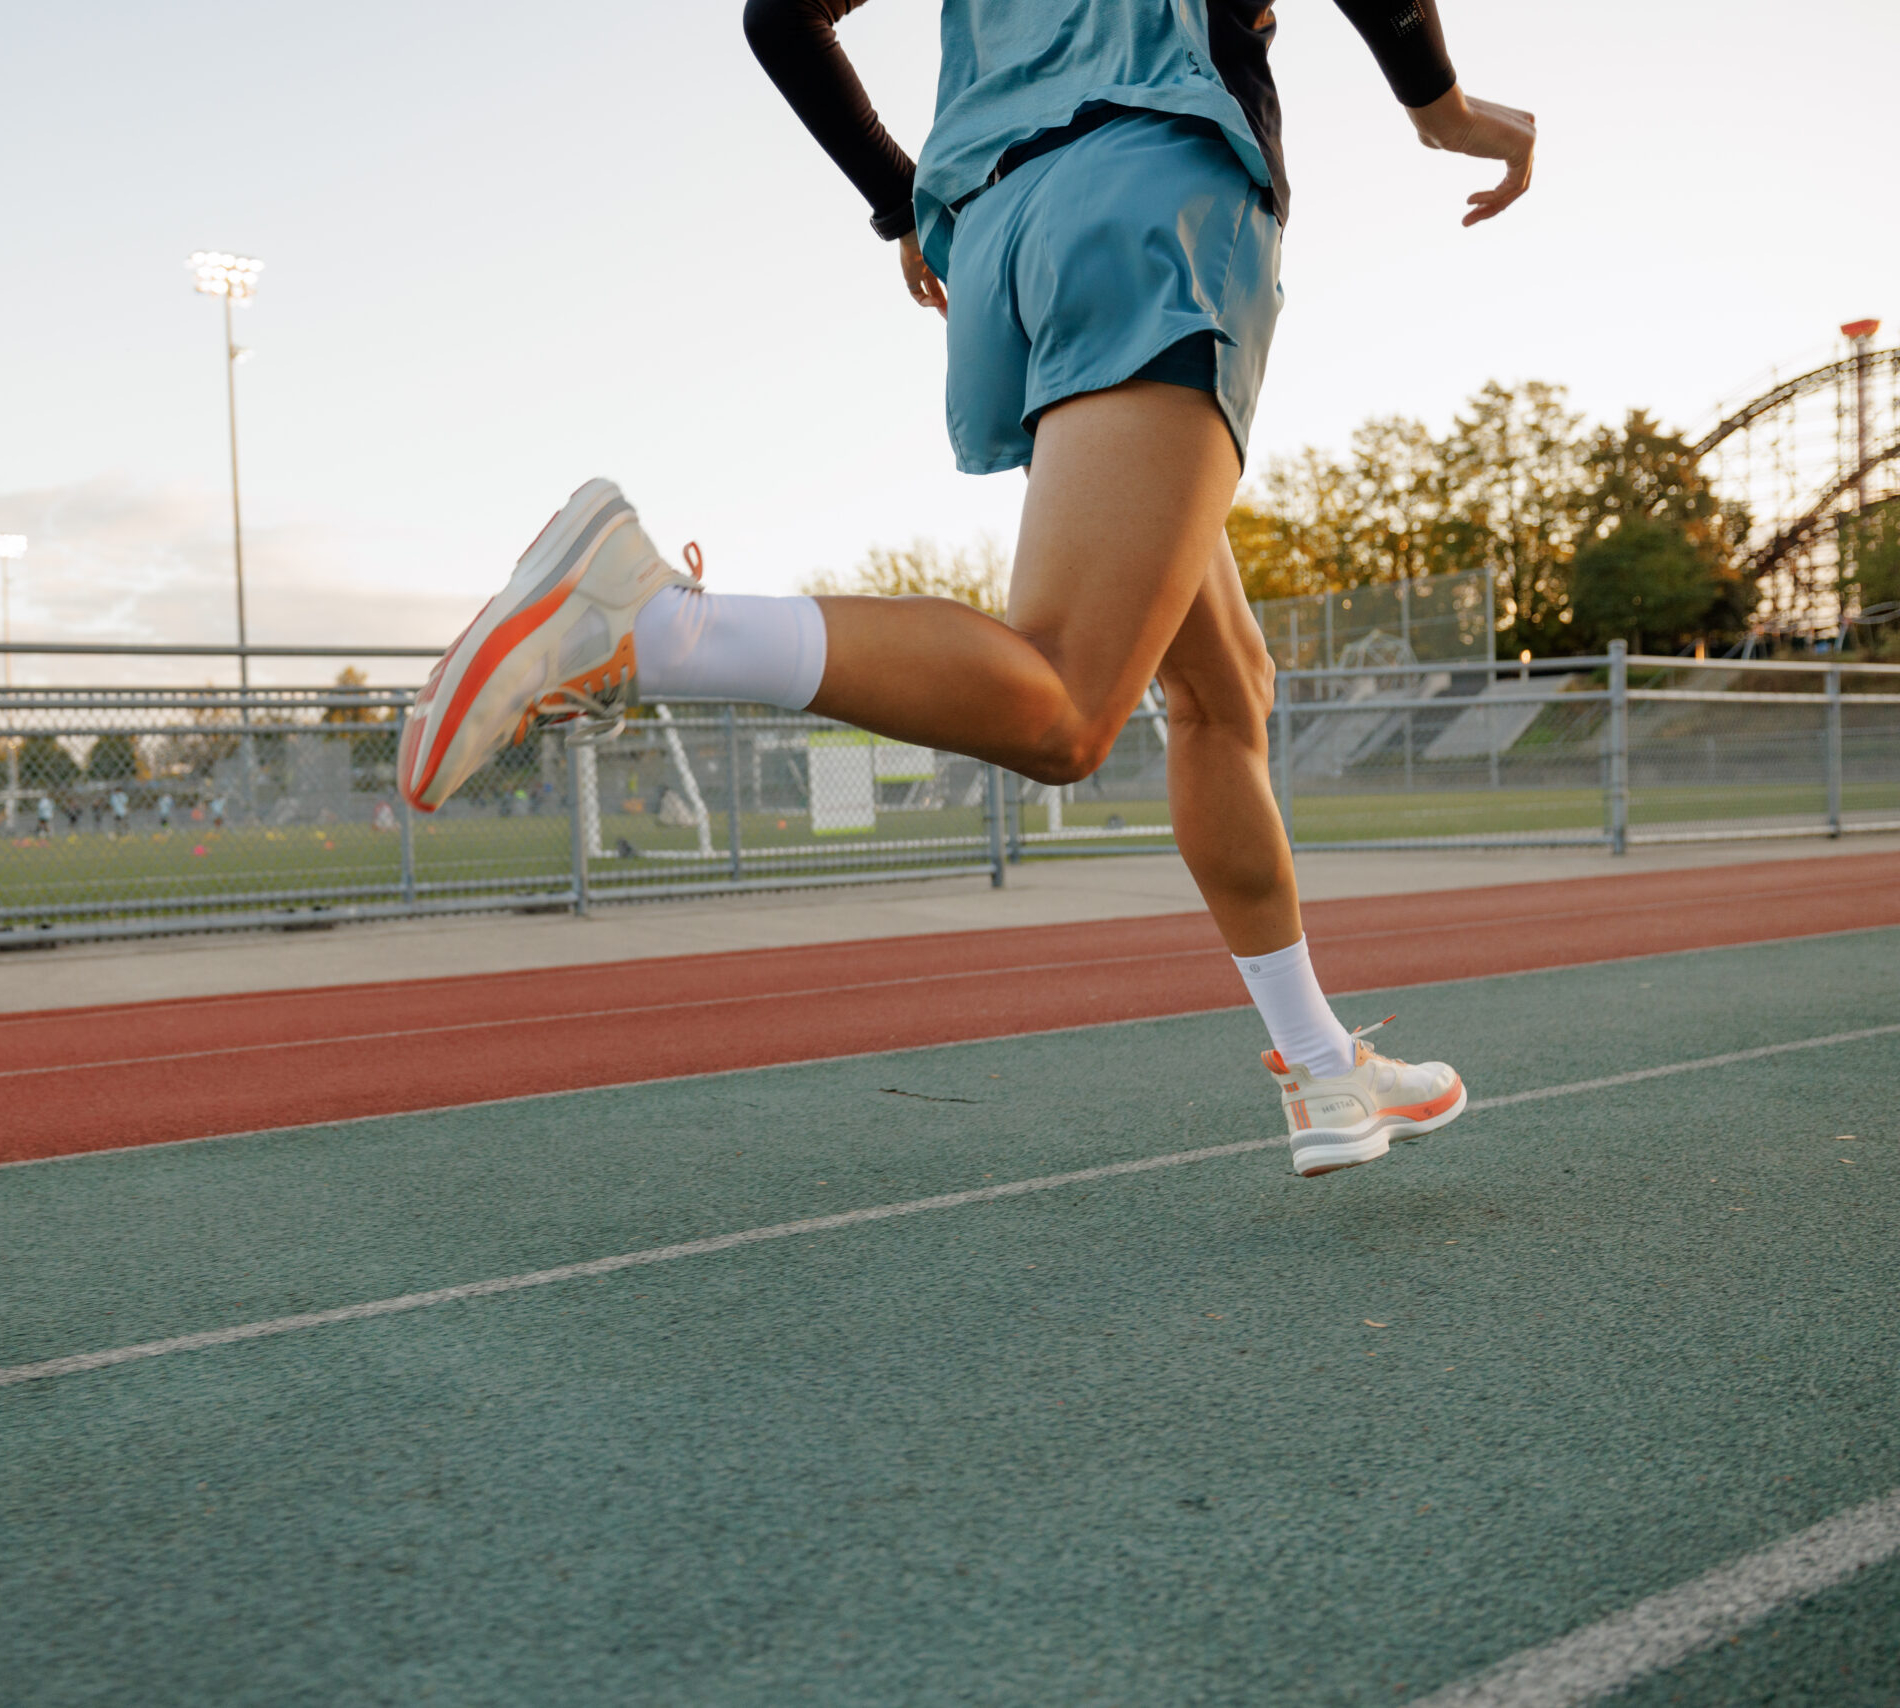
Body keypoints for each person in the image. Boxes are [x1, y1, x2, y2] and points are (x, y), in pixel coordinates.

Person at [398, 0, 1532, 1178]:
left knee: (1222, 688)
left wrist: (901, 204)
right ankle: (653, 625)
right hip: (1156, 195)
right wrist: (1441, 106)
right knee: (1069, 707)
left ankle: (1319, 1062)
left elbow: (784, 17)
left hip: (1000, 237)